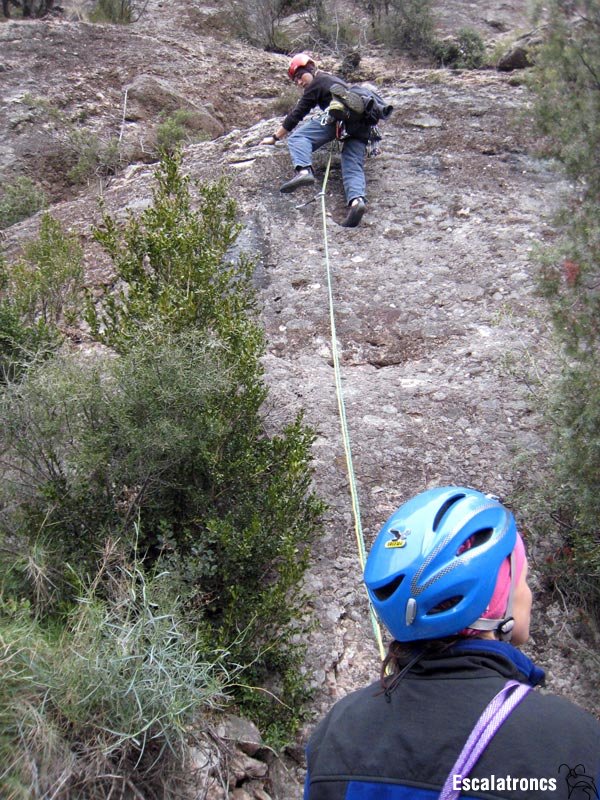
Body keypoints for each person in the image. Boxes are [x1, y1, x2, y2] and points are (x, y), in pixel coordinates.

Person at [304, 486, 600, 799]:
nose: (529, 593)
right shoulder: (571, 740)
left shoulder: (337, 731)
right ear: (490, 601)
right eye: (522, 580)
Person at [261, 53, 376, 228]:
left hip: (340, 118)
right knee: (352, 164)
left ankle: (304, 171)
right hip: (362, 126)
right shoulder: (335, 81)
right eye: (296, 81)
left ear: (311, 69)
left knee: (298, 138)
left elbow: (297, 114)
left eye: (300, 76)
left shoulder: (318, 82)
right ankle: (356, 202)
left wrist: (276, 137)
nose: (299, 82)